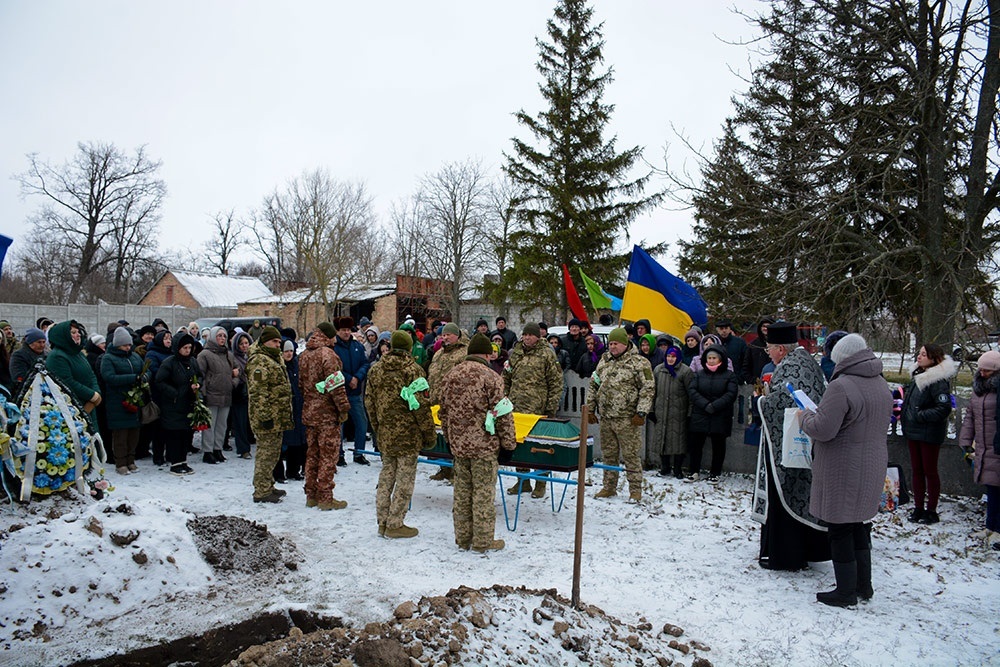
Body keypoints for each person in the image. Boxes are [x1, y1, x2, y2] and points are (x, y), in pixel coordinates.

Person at [799, 334, 891, 606]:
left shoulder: (841, 386)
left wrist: (805, 417)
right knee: (859, 524)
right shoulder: (880, 382)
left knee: (839, 527)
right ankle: (863, 585)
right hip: (872, 461)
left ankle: (845, 591)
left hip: (843, 465)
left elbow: (823, 429)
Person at [753, 321, 831, 571]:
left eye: (769, 349)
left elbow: (782, 402)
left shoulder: (792, 366)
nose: (768, 354)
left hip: (791, 446)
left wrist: (761, 400)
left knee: (786, 493)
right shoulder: (804, 361)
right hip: (798, 441)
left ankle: (786, 555)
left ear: (781, 349)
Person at [439, 333, 517, 552]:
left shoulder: (451, 375)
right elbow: (502, 413)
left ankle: (463, 538)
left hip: (459, 445)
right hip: (484, 446)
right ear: (487, 354)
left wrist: (449, 438)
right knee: (483, 494)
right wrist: (509, 445)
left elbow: (443, 412)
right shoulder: (491, 377)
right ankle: (483, 541)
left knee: (462, 494)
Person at [365, 330, 436, 538]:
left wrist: (378, 427)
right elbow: (421, 407)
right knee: (404, 478)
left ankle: (382, 521)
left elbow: (369, 402)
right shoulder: (413, 371)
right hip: (408, 434)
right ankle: (395, 523)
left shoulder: (376, 370)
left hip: (386, 432)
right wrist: (429, 434)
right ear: (410, 347)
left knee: (386, 475)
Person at [587, 327, 655, 502]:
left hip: (628, 419)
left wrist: (641, 412)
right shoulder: (604, 360)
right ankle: (609, 487)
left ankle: (635, 490)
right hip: (606, 417)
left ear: (625, 344)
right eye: (610, 344)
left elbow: (647, 389)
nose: (612, 347)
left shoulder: (639, 363)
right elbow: (594, 384)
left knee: (631, 455)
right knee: (608, 454)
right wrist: (590, 408)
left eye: (616, 343)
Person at [503, 322, 564, 498]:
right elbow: (506, 377)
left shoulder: (547, 354)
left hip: (538, 410)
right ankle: (523, 481)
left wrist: (551, 407)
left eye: (530, 335)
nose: (527, 338)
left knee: (539, 447)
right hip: (516, 408)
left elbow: (556, 382)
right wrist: (504, 398)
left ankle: (541, 482)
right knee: (519, 445)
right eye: (525, 335)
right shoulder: (516, 353)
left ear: (538, 336)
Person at [298, 322, 352, 510]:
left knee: (312, 454)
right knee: (328, 456)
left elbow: (301, 385)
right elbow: (336, 385)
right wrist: (343, 408)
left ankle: (311, 495)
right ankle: (325, 497)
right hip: (327, 414)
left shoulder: (304, 355)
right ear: (329, 336)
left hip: (310, 412)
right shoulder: (328, 355)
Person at [901, 343, 955, 525]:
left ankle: (931, 510)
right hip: (913, 431)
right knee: (916, 470)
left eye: (924, 354)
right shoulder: (917, 375)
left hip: (929, 433)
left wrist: (920, 416)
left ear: (933, 358)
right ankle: (918, 507)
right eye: (919, 353)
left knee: (929, 471)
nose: (919, 357)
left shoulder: (938, 380)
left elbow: (943, 408)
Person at [246, 327, 292, 503]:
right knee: (266, 453)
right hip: (267, 417)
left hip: (276, 415)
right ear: (265, 341)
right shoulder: (259, 361)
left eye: (279, 342)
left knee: (273, 453)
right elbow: (258, 391)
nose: (278, 345)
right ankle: (261, 491)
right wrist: (265, 417)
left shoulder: (273, 357)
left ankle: (268, 484)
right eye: (274, 341)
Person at [959, 350, 1000, 550]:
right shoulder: (979, 389)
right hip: (983, 446)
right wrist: (966, 440)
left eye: (987, 370)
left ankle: (998, 529)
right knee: (991, 488)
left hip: (997, 445)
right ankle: (990, 526)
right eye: (981, 369)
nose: (982, 373)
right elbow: (970, 417)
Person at [100, 327, 150, 475]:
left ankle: (131, 460)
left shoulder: (134, 357)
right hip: (118, 401)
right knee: (120, 435)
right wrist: (133, 378)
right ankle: (120, 463)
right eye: (124, 345)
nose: (128, 347)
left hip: (135, 401)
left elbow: (146, 370)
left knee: (134, 433)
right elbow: (109, 377)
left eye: (129, 345)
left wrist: (145, 377)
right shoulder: (108, 358)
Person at [685, 345, 738, 483]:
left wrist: (715, 406)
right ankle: (693, 471)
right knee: (696, 445)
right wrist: (705, 405)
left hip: (720, 414)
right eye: (709, 358)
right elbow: (692, 391)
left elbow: (731, 394)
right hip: (700, 413)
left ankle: (715, 472)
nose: (711, 360)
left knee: (718, 445)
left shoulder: (729, 375)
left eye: (714, 358)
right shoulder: (699, 374)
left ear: (720, 359)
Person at [426, 322, 468, 482]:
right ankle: (444, 469)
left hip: (454, 403)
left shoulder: (464, 353)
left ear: (457, 335)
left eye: (448, 334)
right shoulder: (439, 353)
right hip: (436, 400)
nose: (445, 337)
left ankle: (457, 471)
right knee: (441, 436)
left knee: (455, 437)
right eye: (443, 335)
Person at [155, 333, 200, 476]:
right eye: (185, 348)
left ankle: (183, 461)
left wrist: (197, 385)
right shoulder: (169, 362)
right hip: (172, 405)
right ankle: (175, 463)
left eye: (189, 348)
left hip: (188, 403)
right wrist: (174, 393)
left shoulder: (192, 361)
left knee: (186, 434)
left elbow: (199, 375)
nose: (187, 350)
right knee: (175, 434)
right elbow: (159, 381)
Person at [333, 316, 372, 465]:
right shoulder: (334, 348)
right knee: (340, 425)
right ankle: (339, 455)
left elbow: (365, 364)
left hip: (355, 393)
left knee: (362, 423)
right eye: (343, 330)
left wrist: (357, 377)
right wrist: (349, 379)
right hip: (340, 392)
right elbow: (334, 369)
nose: (346, 333)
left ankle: (359, 453)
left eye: (348, 330)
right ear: (338, 331)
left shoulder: (357, 346)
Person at [197, 326, 239, 465]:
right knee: (210, 425)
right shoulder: (205, 354)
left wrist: (233, 383)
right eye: (219, 335)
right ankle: (208, 451)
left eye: (224, 336)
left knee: (222, 425)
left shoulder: (228, 354)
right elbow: (200, 375)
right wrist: (203, 392)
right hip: (211, 394)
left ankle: (217, 449)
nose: (222, 338)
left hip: (226, 394)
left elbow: (237, 371)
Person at [45, 321, 101, 424]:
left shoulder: (78, 353)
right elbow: (66, 382)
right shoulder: (57, 356)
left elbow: (91, 374)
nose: (78, 335)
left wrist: (96, 393)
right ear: (63, 336)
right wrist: (91, 395)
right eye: (73, 332)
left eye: (78, 332)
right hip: (72, 407)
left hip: (88, 403)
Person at [650, 345, 693, 479]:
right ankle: (665, 466)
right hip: (661, 411)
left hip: (678, 412)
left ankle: (678, 468)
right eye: (668, 356)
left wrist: (689, 414)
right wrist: (651, 410)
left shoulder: (685, 371)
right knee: (662, 439)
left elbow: (691, 395)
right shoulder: (658, 370)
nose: (670, 359)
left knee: (678, 441)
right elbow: (652, 392)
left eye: (673, 356)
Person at [281, 338, 307, 481]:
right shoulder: (280, 367)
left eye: (291, 351)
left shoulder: (297, 365)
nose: (289, 354)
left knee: (299, 441)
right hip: (287, 408)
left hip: (299, 406)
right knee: (290, 441)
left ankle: (296, 469)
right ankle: (289, 470)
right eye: (286, 351)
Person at [230, 331, 254, 460]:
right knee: (240, 422)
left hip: (252, 393)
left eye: (246, 343)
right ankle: (243, 449)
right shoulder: (233, 358)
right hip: (239, 393)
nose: (244, 346)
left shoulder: (252, 357)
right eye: (241, 344)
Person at [9, 327, 47, 397]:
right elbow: (19, 378)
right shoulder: (18, 356)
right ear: (30, 343)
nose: (42, 345)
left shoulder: (46, 355)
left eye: (43, 342)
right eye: (39, 342)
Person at [747, 317, 775, 382]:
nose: (765, 328)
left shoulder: (778, 344)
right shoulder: (753, 345)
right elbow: (747, 364)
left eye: (768, 326)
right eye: (764, 326)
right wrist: (752, 380)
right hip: (757, 381)